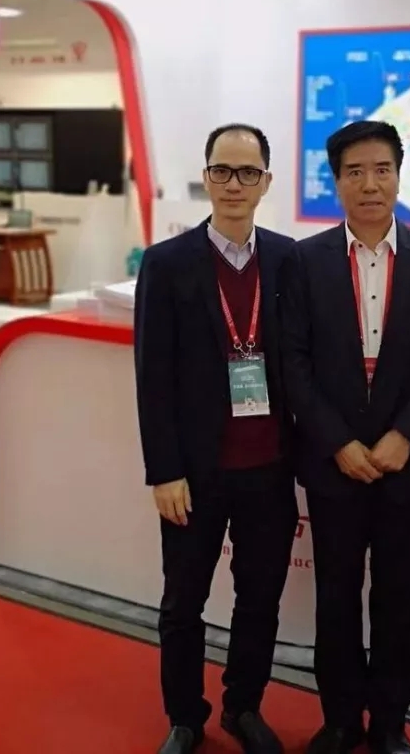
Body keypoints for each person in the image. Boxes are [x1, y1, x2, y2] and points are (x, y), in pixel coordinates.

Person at [279, 120, 410, 754]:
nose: (370, 184)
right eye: (354, 172)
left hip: (405, 462)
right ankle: (338, 719)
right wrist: (337, 441)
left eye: (382, 169)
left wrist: (406, 434)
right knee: (335, 596)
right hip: (335, 463)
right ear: (336, 182)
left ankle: (389, 723)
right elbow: (292, 361)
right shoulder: (305, 261)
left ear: (400, 175)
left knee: (399, 597)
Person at [134, 123, 299, 754]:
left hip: (269, 467)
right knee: (184, 601)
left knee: (260, 598)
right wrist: (163, 471)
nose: (235, 184)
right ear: (206, 177)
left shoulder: (288, 260)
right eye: (223, 171)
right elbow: (153, 377)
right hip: (195, 473)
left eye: (248, 172)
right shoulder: (166, 263)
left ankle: (243, 706)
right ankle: (184, 716)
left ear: (266, 182)